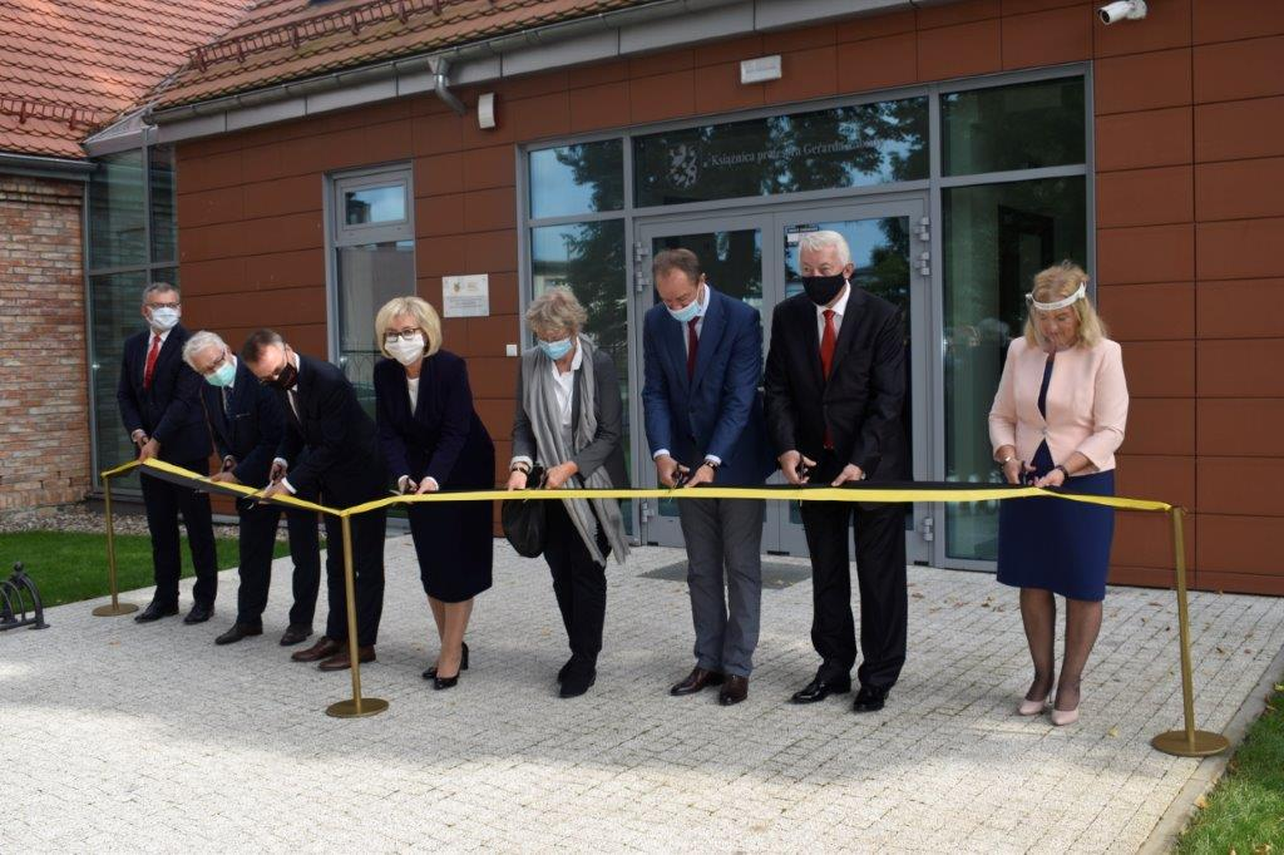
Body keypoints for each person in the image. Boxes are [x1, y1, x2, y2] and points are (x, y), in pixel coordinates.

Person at [763, 230, 908, 714]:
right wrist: (786, 448)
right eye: (806, 271)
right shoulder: (788, 315)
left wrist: (860, 461)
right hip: (814, 465)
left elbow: (888, 399)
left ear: (847, 270)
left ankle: (878, 676)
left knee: (879, 576)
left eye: (824, 271)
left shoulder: (882, 316)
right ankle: (833, 666)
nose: (814, 279)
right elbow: (777, 389)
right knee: (826, 572)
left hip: (873, 466)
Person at [988, 261, 1128, 726]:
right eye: (1043, 318)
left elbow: (1111, 430)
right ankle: (1041, 676)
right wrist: (1008, 456)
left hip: (1084, 479)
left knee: (1082, 584)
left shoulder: (1104, 354)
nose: (1051, 328)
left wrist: (1067, 468)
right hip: (1027, 478)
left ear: (1080, 314)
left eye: (1061, 318)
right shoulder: (1019, 351)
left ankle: (1070, 681)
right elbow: (1001, 415)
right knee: (1033, 579)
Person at [641, 248, 775, 706]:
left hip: (735, 461)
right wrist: (662, 453)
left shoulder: (741, 318)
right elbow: (655, 392)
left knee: (740, 565)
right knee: (700, 568)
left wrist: (713, 460)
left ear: (702, 282)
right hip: (685, 462)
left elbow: (741, 397)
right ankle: (708, 660)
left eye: (682, 299)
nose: (675, 308)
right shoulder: (656, 322)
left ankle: (738, 667)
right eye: (667, 301)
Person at [506, 288, 630, 699]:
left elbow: (610, 433)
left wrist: (571, 467)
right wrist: (520, 466)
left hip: (593, 483)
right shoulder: (530, 363)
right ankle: (579, 650)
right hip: (548, 485)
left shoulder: (600, 363)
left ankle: (585, 660)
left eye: (555, 336)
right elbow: (523, 425)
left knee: (587, 571)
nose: (548, 344)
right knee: (561, 572)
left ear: (573, 329)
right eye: (541, 336)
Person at [243, 330, 389, 672]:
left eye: (277, 371)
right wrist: (282, 459)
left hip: (364, 478)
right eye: (266, 379)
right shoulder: (278, 384)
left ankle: (363, 644)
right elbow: (295, 429)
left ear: (288, 350)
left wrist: (289, 485)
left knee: (365, 565)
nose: (275, 380)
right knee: (337, 561)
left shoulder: (328, 380)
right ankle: (336, 635)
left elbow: (333, 446)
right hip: (333, 481)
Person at [373, 296, 494, 690]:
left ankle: (451, 654)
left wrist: (434, 478)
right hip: (416, 475)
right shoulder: (384, 373)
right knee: (432, 561)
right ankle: (451, 644)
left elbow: (456, 431)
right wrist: (403, 476)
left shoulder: (451, 367)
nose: (400, 339)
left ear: (426, 332)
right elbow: (387, 432)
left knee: (456, 563)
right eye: (392, 334)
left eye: (408, 331)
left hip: (462, 469)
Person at [182, 331, 322, 648]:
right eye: (205, 369)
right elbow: (221, 433)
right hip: (249, 480)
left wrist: (239, 473)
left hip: (292, 472)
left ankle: (301, 622)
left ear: (226, 350)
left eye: (216, 362)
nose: (214, 371)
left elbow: (277, 435)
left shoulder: (259, 376)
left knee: (303, 551)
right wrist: (229, 459)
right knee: (252, 552)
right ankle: (248, 619)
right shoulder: (209, 388)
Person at [116, 282, 218, 625]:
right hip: (148, 453)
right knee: (161, 530)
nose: (167, 311)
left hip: (185, 450)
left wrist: (156, 440)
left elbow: (184, 399)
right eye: (160, 305)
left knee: (198, 529)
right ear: (145, 311)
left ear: (180, 308)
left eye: (173, 304)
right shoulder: (133, 345)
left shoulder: (191, 345)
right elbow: (125, 395)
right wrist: (139, 434)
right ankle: (165, 598)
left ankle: (204, 600)